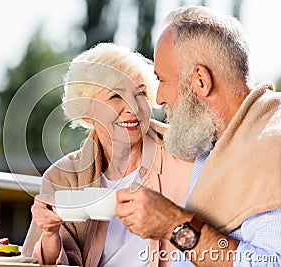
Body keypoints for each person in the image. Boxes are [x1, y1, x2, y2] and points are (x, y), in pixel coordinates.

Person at [116, 6, 281, 266]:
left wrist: (173, 224)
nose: (159, 98)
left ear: (201, 81)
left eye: (163, 80)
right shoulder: (213, 141)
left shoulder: (272, 146)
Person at [22, 43, 193, 266]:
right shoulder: (62, 178)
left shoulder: (185, 156)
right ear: (86, 114)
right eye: (115, 96)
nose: (133, 108)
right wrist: (50, 234)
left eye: (140, 92)